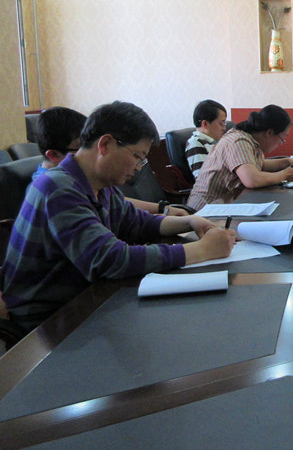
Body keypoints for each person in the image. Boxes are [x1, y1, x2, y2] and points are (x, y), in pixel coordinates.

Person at [2, 101, 236, 331]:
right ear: (105, 144)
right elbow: (109, 260)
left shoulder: (100, 184)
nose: (139, 167)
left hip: (89, 297)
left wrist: (189, 221)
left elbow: (137, 222)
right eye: (137, 156)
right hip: (49, 321)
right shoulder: (56, 187)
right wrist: (202, 250)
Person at [32, 106, 189, 217]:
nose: (88, 152)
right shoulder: (56, 188)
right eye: (80, 148)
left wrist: (165, 211)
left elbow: (123, 210)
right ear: (53, 155)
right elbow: (105, 251)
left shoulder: (95, 184)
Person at [187, 105, 293, 210]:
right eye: (282, 139)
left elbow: (259, 164)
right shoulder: (239, 141)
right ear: (269, 133)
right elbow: (252, 179)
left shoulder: (251, 140)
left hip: (225, 205)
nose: (281, 143)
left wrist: (287, 162)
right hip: (205, 210)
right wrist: (285, 175)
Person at [32, 106, 86, 181]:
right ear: (54, 155)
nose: (90, 152)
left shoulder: (69, 174)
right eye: (83, 147)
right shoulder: (52, 186)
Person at [186, 99, 228, 177]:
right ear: (205, 124)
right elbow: (204, 178)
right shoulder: (196, 143)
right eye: (221, 124)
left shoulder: (217, 142)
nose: (224, 128)